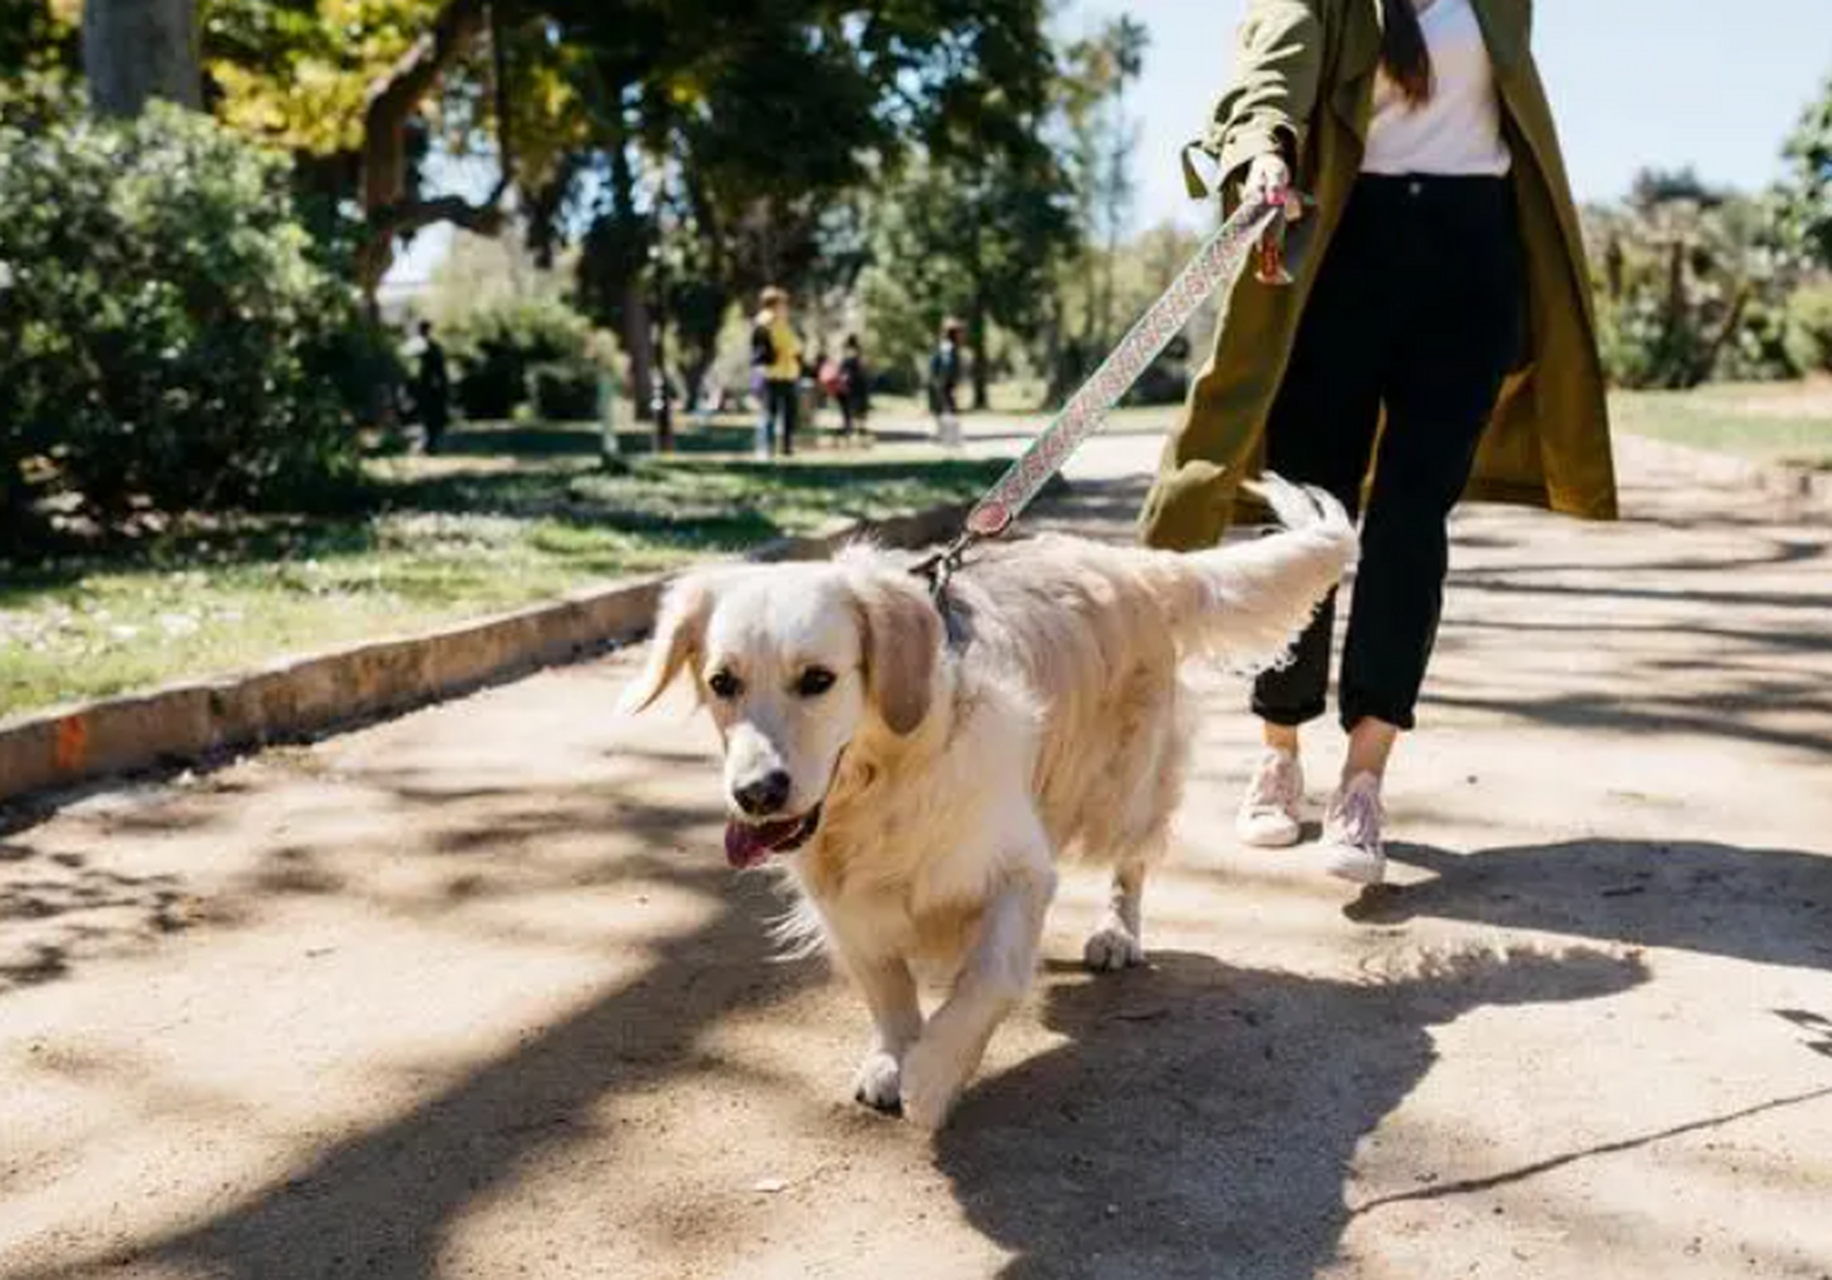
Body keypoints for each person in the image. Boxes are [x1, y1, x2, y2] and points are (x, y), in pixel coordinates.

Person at [1139, 0, 1616, 885]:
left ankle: (1364, 778)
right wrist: (1263, 155)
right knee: (1313, 515)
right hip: (1344, 258)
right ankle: (1279, 751)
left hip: (1473, 261)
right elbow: (1266, 74)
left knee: (1410, 517)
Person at [752, 286, 803, 457]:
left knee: (783, 413)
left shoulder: (779, 322)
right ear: (774, 304)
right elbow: (790, 346)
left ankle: (783, 448)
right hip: (774, 374)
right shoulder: (768, 321)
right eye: (782, 303)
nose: (785, 307)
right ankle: (768, 448)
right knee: (771, 413)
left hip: (786, 373)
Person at [415, 320, 451, 455]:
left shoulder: (426, 347)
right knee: (430, 418)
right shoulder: (430, 347)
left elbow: (439, 369)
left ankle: (429, 445)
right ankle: (429, 445)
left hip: (428, 387)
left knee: (429, 418)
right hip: (428, 387)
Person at [928, 318, 965, 448]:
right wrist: (946, 384)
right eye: (959, 332)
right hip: (944, 383)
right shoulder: (948, 347)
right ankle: (950, 440)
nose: (962, 335)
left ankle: (945, 438)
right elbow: (946, 365)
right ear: (953, 334)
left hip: (943, 383)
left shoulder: (948, 346)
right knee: (949, 410)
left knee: (946, 410)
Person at [837, 334, 872, 444]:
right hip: (859, 385)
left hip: (852, 386)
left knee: (850, 410)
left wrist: (843, 380)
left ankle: (850, 430)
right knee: (859, 410)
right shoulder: (859, 356)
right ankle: (857, 430)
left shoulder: (849, 357)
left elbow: (845, 372)